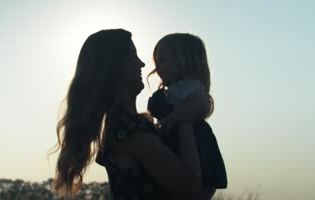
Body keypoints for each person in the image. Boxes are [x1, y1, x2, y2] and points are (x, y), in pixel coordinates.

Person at [53, 29, 208, 200]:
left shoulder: (120, 129)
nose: (142, 64)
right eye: (134, 55)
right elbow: (194, 194)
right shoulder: (133, 133)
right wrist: (184, 120)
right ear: (116, 67)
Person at [147, 33, 228, 199]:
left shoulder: (189, 86)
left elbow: (201, 105)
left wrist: (172, 119)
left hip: (196, 142)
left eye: (163, 60)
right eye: (156, 62)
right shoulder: (171, 91)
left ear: (185, 61)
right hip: (174, 140)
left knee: (198, 185)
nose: (158, 67)